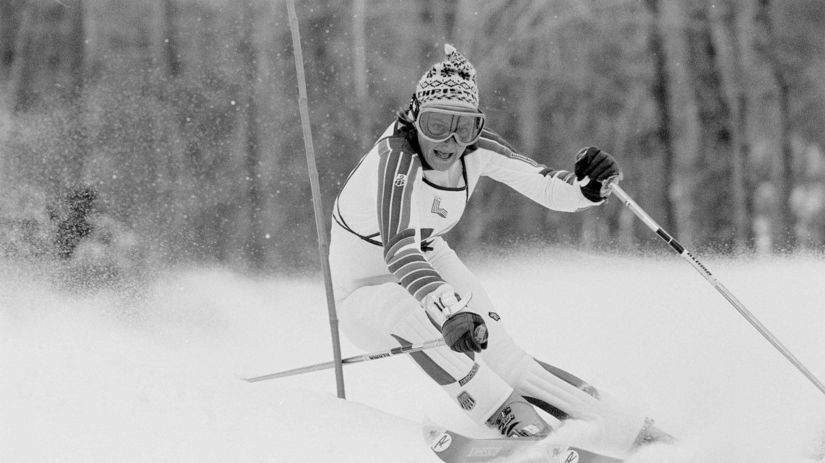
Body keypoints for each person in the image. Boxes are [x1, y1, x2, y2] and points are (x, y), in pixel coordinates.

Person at [328, 44, 672, 457]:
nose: (450, 141)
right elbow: (399, 249)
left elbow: (543, 184)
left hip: (427, 255)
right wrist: (448, 309)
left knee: (501, 353)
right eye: (437, 124)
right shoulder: (395, 161)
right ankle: (507, 414)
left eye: (465, 127)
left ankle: (622, 425)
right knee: (411, 313)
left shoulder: (475, 150)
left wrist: (587, 189)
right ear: (415, 117)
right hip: (365, 292)